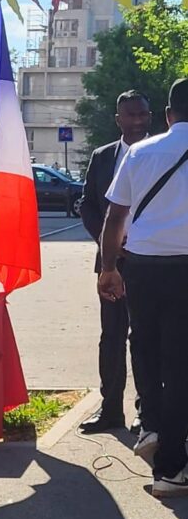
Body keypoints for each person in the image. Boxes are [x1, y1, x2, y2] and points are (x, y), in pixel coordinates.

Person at [100, 78, 188, 496]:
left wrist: (108, 269)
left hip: (142, 265)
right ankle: (171, 467)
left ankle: (150, 424)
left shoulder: (139, 153)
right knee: (181, 364)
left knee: (145, 347)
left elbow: (114, 216)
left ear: (168, 115)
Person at [79, 90, 151, 434]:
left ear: (151, 116)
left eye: (142, 114)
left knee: (146, 338)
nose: (137, 121)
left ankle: (145, 411)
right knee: (112, 337)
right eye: (130, 115)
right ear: (118, 119)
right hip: (111, 264)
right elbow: (88, 205)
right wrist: (107, 241)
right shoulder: (103, 156)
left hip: (149, 261)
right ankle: (110, 411)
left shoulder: (159, 154)